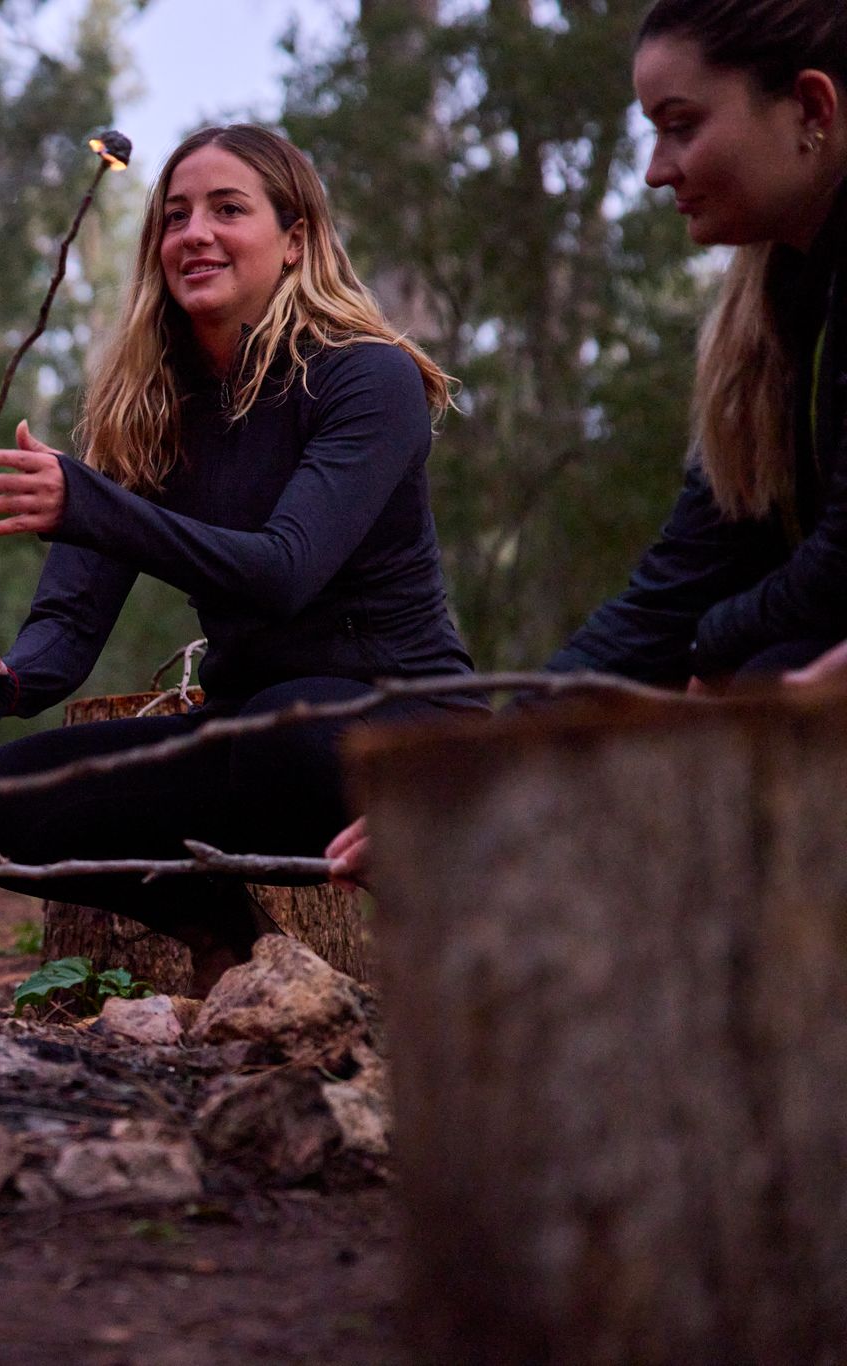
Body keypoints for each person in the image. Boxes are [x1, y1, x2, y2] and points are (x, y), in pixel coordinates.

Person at [0, 125, 478, 991]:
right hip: (249, 727)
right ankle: (236, 945)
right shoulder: (148, 402)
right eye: (175, 215)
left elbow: (284, 568)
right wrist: (11, 680)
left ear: (295, 240)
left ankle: (466, 946)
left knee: (284, 738)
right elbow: (71, 621)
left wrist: (93, 507)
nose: (196, 233)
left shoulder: (366, 376)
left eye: (229, 210)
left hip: (394, 720)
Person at [329, 0, 847, 884]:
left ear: (810, 107)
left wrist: (720, 651)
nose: (655, 171)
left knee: (769, 683)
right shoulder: (774, 315)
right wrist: (485, 763)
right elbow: (678, 586)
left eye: (681, 127)